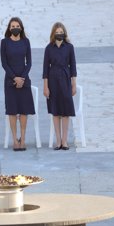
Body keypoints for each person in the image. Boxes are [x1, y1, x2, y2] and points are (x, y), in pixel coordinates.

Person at [0, 17, 35, 151]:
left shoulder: (26, 42)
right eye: (12, 26)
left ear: (21, 28)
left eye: (17, 26)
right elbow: (4, 63)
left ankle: (23, 139)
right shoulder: (4, 42)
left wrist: (22, 78)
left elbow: (29, 62)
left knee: (24, 111)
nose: (15, 28)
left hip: (24, 80)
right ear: (9, 28)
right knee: (13, 111)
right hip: (10, 81)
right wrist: (15, 78)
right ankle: (15, 140)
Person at [43, 22, 77, 150]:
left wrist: (74, 84)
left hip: (65, 78)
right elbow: (45, 69)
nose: (59, 34)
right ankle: (58, 141)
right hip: (52, 80)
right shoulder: (48, 48)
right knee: (56, 111)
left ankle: (65, 141)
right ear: (53, 34)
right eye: (57, 32)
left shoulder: (69, 47)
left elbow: (73, 66)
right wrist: (45, 86)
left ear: (64, 33)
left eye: (61, 32)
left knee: (66, 111)